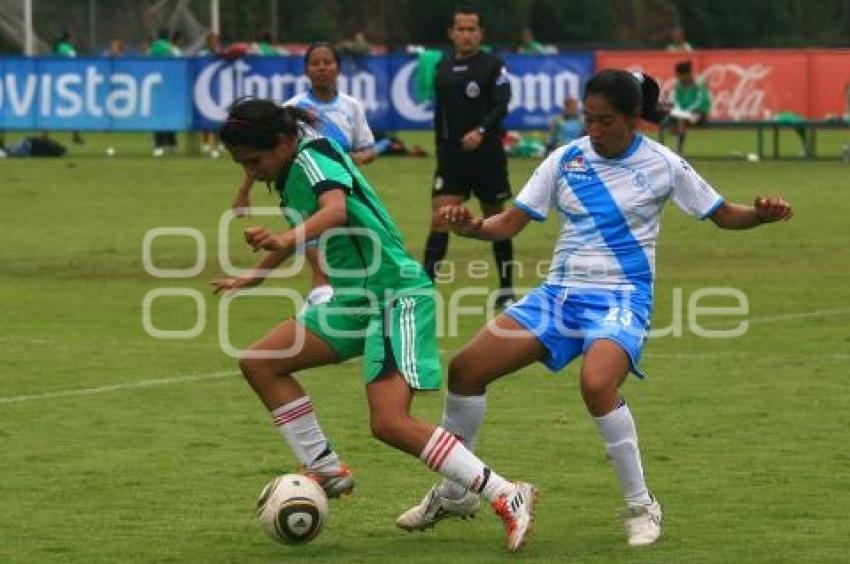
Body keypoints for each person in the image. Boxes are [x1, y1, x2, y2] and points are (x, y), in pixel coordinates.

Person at [396, 69, 792, 548]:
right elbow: (508, 223)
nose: (595, 130)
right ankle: (456, 491)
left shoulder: (664, 164)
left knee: (597, 382)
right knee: (465, 369)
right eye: (589, 119)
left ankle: (641, 504)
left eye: (605, 121)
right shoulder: (566, 159)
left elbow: (725, 214)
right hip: (557, 296)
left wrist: (761, 213)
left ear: (633, 120)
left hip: (622, 298)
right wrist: (472, 227)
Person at [211, 98, 538, 552]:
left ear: (284, 141)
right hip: (354, 300)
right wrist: (254, 275)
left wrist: (284, 237)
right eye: (244, 164)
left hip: (394, 295)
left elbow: (335, 211)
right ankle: (324, 468)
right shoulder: (289, 172)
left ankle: (505, 492)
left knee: (389, 422)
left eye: (255, 161)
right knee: (261, 361)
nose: (254, 170)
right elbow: (309, 227)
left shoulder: (314, 156)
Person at [231, 42, 377, 310]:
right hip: (312, 192)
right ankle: (323, 301)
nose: (322, 68)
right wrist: (244, 191)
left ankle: (324, 304)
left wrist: (345, 161)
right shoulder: (291, 111)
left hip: (338, 190)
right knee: (319, 259)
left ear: (338, 68)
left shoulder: (348, 109)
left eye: (328, 62)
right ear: (306, 70)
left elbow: (367, 152)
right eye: (315, 63)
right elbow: (258, 155)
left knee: (332, 259)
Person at [422, 7, 516, 308]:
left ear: (481, 33)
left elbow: (502, 104)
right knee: (439, 219)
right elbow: (441, 117)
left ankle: (505, 289)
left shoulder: (493, 66)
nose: (466, 34)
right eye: (460, 29)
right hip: (452, 160)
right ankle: (424, 290)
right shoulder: (442, 69)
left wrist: (481, 131)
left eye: (472, 29)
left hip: (487, 157)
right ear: (451, 33)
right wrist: (441, 153)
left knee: (495, 220)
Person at [148, 29, 181, 156]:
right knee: (170, 116)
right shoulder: (172, 50)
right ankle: (172, 144)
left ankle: (158, 145)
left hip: (155, 87)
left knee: (158, 117)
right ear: (168, 37)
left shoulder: (151, 50)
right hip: (171, 87)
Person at [667, 60, 711, 154]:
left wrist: (686, 112)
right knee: (669, 114)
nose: (678, 78)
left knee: (681, 119)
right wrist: (682, 112)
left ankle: (678, 148)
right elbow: (676, 101)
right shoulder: (679, 86)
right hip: (684, 115)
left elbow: (701, 101)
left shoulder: (699, 84)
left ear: (687, 74)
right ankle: (676, 147)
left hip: (699, 113)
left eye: (680, 75)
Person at [53, 31, 84, 145]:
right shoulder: (66, 48)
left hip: (61, 80)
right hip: (66, 83)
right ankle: (76, 135)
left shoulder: (60, 47)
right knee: (73, 110)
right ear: (69, 38)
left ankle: (76, 135)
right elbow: (73, 59)